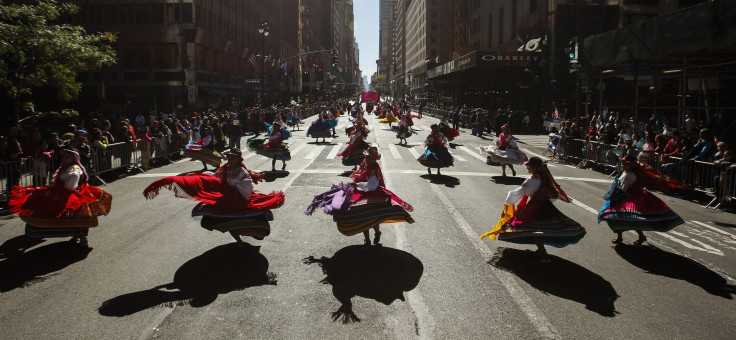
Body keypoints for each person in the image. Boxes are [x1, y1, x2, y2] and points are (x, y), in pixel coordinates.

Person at [144, 148, 284, 244]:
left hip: (239, 199)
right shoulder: (225, 169)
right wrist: (200, 177)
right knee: (220, 219)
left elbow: (247, 187)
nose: (230, 159)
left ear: (238, 159)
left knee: (240, 218)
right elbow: (215, 177)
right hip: (226, 199)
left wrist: (234, 188)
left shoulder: (242, 172)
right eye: (228, 157)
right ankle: (239, 241)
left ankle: (246, 235)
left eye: (232, 157)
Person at [481, 157, 585, 262]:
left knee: (531, 228)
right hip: (544, 204)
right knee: (540, 228)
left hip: (536, 206)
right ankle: (541, 251)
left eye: (529, 167)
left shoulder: (534, 179)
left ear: (534, 167)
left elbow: (522, 190)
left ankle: (544, 254)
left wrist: (510, 198)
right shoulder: (543, 176)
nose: (527, 169)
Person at [305, 147, 414, 246]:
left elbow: (372, 185)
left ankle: (377, 232)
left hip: (373, 192)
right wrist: (356, 181)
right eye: (366, 157)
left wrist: (357, 184)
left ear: (375, 159)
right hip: (361, 190)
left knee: (373, 216)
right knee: (363, 218)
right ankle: (367, 239)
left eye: (369, 158)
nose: (367, 159)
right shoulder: (366, 163)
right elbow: (360, 173)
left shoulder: (374, 169)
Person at [9, 150, 113, 247]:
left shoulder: (74, 169)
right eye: (63, 157)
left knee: (77, 214)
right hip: (59, 191)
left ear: (73, 159)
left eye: (67, 157)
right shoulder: (64, 167)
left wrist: (61, 187)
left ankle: (82, 237)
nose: (64, 159)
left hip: (70, 193)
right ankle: (74, 235)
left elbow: (70, 186)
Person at [599, 155, 684, 245]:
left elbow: (628, 188)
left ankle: (639, 236)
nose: (623, 165)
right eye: (622, 163)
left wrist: (622, 193)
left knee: (631, 218)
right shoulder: (625, 173)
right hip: (621, 196)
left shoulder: (632, 175)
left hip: (630, 198)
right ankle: (620, 237)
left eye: (625, 164)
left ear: (630, 165)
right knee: (616, 217)